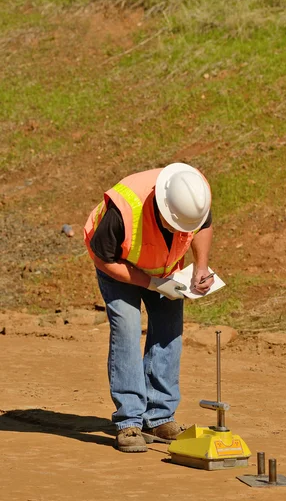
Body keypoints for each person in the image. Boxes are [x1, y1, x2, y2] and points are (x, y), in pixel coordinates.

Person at [84, 163, 214, 452]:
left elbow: (203, 225)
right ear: (161, 207)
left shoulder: (195, 192)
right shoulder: (124, 210)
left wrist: (200, 268)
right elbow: (102, 256)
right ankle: (129, 421)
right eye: (176, 225)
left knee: (169, 329)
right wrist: (149, 283)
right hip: (117, 264)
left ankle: (159, 416)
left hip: (163, 266)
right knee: (128, 328)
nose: (182, 231)